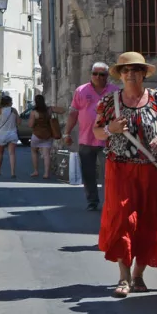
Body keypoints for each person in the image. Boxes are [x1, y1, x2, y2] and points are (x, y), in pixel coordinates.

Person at [96, 52, 157, 296]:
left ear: (143, 73)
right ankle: (123, 278)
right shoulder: (109, 101)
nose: (130, 74)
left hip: (151, 170)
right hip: (119, 169)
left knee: (149, 222)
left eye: (135, 70)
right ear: (121, 74)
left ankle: (138, 275)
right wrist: (110, 128)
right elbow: (97, 132)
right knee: (123, 220)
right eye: (125, 70)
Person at [65, 62, 118, 211]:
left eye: (102, 74)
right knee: (88, 174)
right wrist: (67, 133)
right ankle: (92, 201)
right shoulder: (81, 91)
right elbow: (73, 113)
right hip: (86, 139)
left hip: (108, 139)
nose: (98, 77)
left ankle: (110, 201)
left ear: (107, 76)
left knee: (109, 174)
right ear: (91, 74)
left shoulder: (115, 91)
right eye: (95, 73)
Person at [29, 95, 58, 178]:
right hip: (48, 135)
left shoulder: (34, 112)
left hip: (36, 135)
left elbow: (30, 125)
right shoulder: (49, 110)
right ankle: (46, 173)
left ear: (35, 101)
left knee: (34, 152)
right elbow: (62, 110)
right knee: (46, 155)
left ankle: (35, 171)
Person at [0, 95, 19, 178]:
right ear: (8, 102)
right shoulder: (14, 110)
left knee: (0, 153)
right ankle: (13, 173)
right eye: (11, 101)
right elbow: (19, 122)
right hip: (12, 133)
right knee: (12, 154)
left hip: (2, 134)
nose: (12, 103)